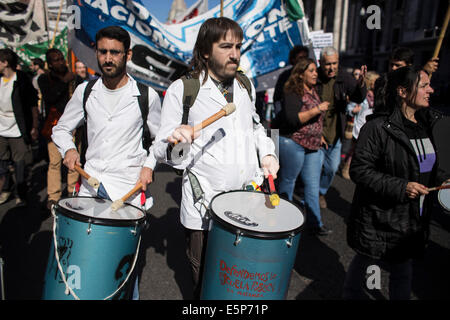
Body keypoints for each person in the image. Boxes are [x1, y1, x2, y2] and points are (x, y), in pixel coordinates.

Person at [152, 17, 279, 299]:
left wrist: (269, 152)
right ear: (206, 51)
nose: (235, 53)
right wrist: (178, 142)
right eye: (226, 46)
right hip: (204, 207)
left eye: (238, 46)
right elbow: (161, 151)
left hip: (247, 202)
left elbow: (257, 126)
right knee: (206, 285)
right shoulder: (182, 90)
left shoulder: (245, 85)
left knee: (241, 281)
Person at [52, 25, 161, 299]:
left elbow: (161, 142)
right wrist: (68, 150)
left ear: (128, 55)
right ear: (96, 53)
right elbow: (60, 129)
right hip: (90, 190)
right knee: (86, 263)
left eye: (115, 52)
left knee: (123, 270)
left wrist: (149, 165)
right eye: (103, 52)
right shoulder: (85, 91)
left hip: (128, 194)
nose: (108, 58)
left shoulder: (147, 96)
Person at [342, 66, 450, 300]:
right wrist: (402, 187)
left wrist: (442, 180)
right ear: (402, 91)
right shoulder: (377, 128)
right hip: (379, 218)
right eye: (423, 85)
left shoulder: (426, 125)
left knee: (402, 272)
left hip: (411, 220)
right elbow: (360, 170)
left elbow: (425, 165)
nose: (431, 90)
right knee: (366, 267)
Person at [276, 58, 330, 235]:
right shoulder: (292, 91)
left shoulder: (313, 90)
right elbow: (293, 119)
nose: (316, 73)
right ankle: (283, 223)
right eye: (312, 71)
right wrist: (317, 109)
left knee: (312, 186)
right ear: (301, 74)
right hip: (293, 143)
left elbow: (314, 122)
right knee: (288, 183)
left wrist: (319, 135)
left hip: (313, 145)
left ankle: (314, 224)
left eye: (316, 70)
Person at [316, 47, 367, 211]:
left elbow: (358, 96)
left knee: (331, 168)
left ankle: (321, 192)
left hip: (336, 134)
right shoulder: (314, 77)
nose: (331, 67)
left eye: (335, 63)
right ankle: (312, 198)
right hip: (316, 133)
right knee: (314, 168)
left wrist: (361, 84)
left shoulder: (344, 77)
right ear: (320, 63)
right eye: (328, 64)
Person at [38, 48, 80, 209]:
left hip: (74, 126)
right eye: (56, 60)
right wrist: (64, 82)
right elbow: (50, 97)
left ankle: (72, 191)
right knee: (55, 162)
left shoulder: (73, 78)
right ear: (49, 63)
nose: (60, 62)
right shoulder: (44, 79)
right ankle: (53, 196)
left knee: (74, 161)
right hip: (55, 126)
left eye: (61, 58)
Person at [0, 48, 39, 205]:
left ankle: (21, 193)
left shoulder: (22, 79)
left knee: (20, 162)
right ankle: (5, 189)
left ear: (5, 63)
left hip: (18, 128)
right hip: (1, 128)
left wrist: (34, 126)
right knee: (2, 162)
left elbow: (32, 105)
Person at [341, 71, 380, 180]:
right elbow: (349, 107)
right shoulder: (363, 95)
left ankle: (347, 165)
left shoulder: (376, 97)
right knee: (355, 149)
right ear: (370, 82)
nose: (377, 84)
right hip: (357, 127)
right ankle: (346, 167)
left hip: (367, 126)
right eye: (375, 82)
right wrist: (353, 110)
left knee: (357, 150)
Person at [273, 45, 309, 116]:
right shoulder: (285, 76)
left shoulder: (311, 75)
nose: (303, 61)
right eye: (300, 58)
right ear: (293, 59)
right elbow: (277, 99)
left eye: (305, 57)